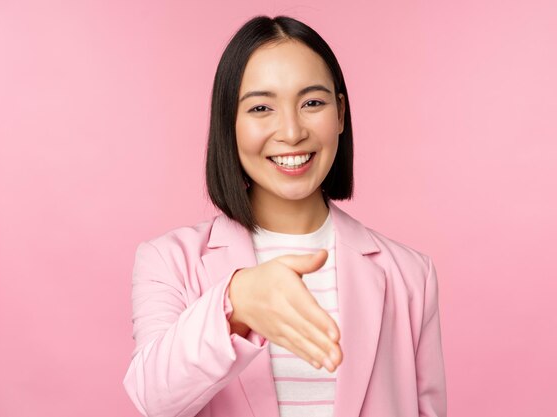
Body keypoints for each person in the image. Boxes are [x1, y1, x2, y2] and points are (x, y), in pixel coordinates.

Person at [123, 15, 447, 417]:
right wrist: (235, 302)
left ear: (341, 114)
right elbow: (153, 399)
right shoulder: (167, 260)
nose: (291, 132)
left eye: (312, 103)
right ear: (230, 124)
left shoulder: (412, 275)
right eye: (261, 107)